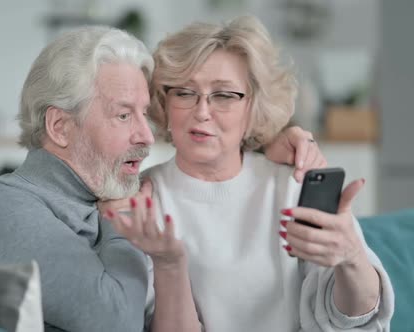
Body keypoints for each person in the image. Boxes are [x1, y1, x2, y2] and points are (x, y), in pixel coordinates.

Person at [0, 25, 326, 332]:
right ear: (59, 126)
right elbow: (116, 322)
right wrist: (122, 222)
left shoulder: (99, 196)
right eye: (124, 116)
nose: (146, 135)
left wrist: (261, 142)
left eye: (144, 113)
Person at [104, 16, 394, 331]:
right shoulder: (142, 200)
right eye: (185, 93)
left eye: (224, 95)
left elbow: (356, 319)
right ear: (164, 101)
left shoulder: (292, 184)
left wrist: (351, 257)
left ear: (253, 106)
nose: (202, 112)